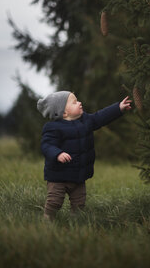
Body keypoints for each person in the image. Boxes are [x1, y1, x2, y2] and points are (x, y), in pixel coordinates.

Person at [36, 91, 132, 220]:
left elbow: (100, 117)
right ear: (64, 113)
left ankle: (76, 221)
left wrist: (118, 108)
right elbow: (46, 146)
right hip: (58, 176)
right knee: (55, 201)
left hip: (78, 175)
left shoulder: (86, 121)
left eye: (78, 100)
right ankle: (48, 218)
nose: (80, 103)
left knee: (79, 203)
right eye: (75, 102)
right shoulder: (53, 128)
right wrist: (58, 154)